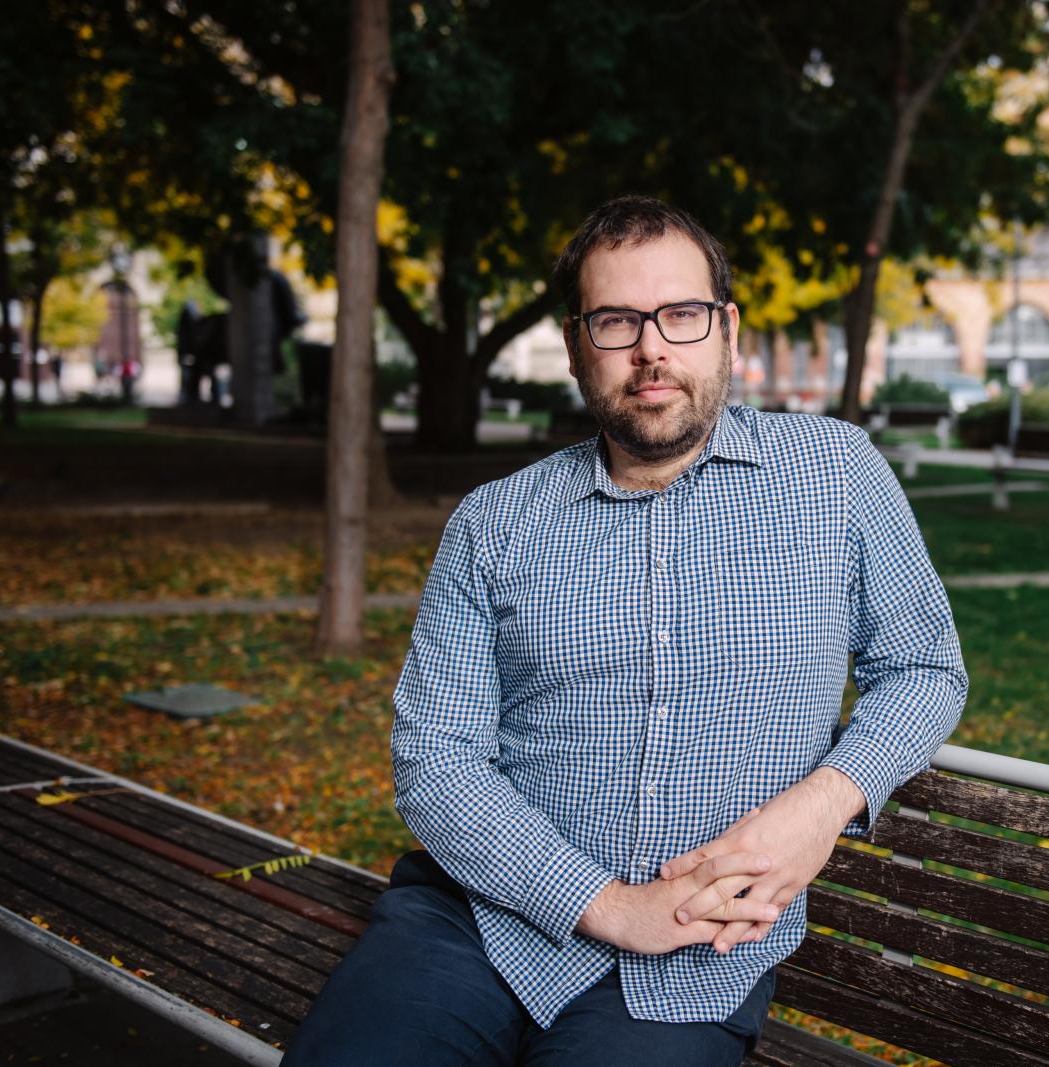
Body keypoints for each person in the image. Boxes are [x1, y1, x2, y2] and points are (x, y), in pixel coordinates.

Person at [282, 196, 967, 1066]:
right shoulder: (494, 522)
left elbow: (924, 667)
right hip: (476, 924)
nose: (651, 349)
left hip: (699, 956)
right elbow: (436, 758)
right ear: (576, 346)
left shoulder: (837, 475)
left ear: (727, 330)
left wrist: (823, 805)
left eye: (681, 314)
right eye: (616, 321)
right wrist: (608, 905)